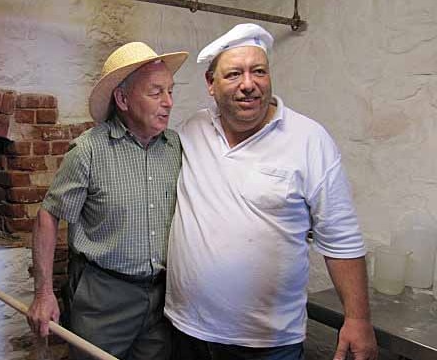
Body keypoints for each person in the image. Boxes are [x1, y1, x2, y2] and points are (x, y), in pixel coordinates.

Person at [164, 23, 378, 360]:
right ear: (211, 84)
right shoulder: (192, 132)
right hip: (188, 331)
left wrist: (358, 319)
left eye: (258, 71)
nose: (248, 84)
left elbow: (342, 238)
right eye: (234, 74)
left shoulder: (309, 140)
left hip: (268, 345)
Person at [27, 42, 188, 360]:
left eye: (170, 91)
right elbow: (48, 216)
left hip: (161, 296)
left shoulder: (176, 147)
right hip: (102, 296)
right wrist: (43, 292)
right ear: (123, 99)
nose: (168, 103)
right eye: (156, 93)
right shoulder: (89, 150)